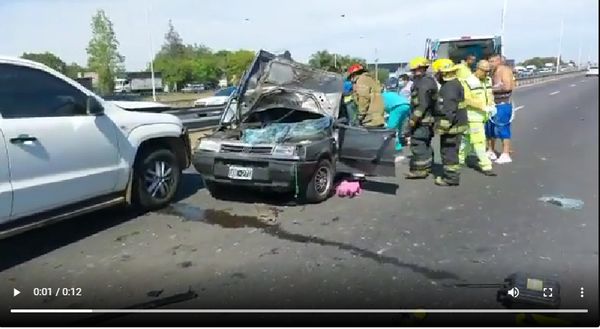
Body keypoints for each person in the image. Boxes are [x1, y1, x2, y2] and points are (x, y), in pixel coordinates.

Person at [431, 58, 468, 186]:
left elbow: (448, 111)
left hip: (452, 127)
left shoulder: (448, 88)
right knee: (452, 151)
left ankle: (451, 178)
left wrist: (441, 128)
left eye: (437, 73)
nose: (436, 76)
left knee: (448, 152)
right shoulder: (455, 83)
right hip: (458, 125)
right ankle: (452, 176)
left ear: (443, 73)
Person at [458, 60, 498, 176]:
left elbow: (489, 94)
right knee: (479, 141)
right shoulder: (468, 81)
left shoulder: (488, 80)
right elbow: (466, 99)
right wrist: (482, 106)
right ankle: (486, 166)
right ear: (478, 69)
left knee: (467, 140)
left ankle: (459, 159)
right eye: (485, 71)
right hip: (472, 116)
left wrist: (492, 105)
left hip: (483, 116)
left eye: (488, 71)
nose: (487, 74)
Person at [405, 56, 438, 179]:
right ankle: (427, 167)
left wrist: (413, 120)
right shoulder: (428, 81)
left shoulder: (423, 83)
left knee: (418, 143)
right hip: (427, 120)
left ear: (420, 69)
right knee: (425, 144)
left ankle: (420, 170)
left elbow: (422, 105)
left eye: (414, 70)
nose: (413, 73)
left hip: (423, 120)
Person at [486, 54, 516, 164]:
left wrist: (490, 89)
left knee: (503, 129)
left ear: (499, 61)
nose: (490, 63)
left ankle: (505, 153)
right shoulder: (492, 72)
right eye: (489, 61)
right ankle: (490, 150)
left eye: (493, 61)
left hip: (503, 104)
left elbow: (508, 86)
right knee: (490, 128)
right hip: (493, 104)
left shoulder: (504, 70)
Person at [382, 90, 411, 157]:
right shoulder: (387, 94)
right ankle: (399, 145)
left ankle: (392, 147)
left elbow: (382, 110)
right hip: (406, 105)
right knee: (399, 126)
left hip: (397, 106)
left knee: (391, 128)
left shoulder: (379, 98)